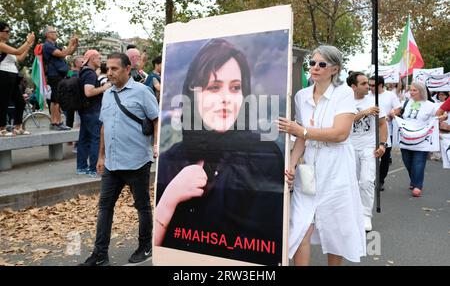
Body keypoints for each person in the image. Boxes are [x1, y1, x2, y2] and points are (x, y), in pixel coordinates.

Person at [154, 39, 284, 265]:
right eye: (214, 87)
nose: (226, 99)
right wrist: (167, 202)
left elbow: (264, 251)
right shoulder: (173, 158)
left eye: (235, 87)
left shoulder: (263, 156)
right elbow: (154, 249)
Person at [278, 45, 366, 266]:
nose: (315, 67)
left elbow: (340, 133)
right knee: (299, 229)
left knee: (335, 230)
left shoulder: (344, 93)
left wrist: (303, 131)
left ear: (334, 69)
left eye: (322, 64)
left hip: (337, 169)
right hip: (308, 170)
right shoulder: (301, 96)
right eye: (312, 63)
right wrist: (290, 165)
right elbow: (300, 138)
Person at [79, 52, 158, 266]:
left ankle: (145, 246)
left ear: (127, 69)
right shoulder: (107, 94)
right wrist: (101, 155)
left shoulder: (143, 92)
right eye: (108, 69)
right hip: (112, 164)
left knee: (142, 207)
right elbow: (104, 126)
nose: (109, 72)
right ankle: (100, 255)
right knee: (105, 208)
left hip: (137, 162)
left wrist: (156, 145)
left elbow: (156, 118)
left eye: (114, 69)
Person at [347, 72, 387, 232]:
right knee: (352, 182)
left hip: (368, 147)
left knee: (366, 181)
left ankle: (365, 216)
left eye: (368, 83)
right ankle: (353, 213)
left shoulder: (374, 102)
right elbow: (344, 122)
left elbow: (382, 124)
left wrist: (382, 145)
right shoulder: (344, 102)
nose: (368, 86)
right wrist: (364, 112)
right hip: (349, 146)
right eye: (363, 84)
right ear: (353, 86)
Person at [76, 50, 111, 177]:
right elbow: (89, 92)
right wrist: (104, 87)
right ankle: (93, 169)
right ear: (91, 58)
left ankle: (81, 167)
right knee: (96, 139)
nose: (100, 60)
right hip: (93, 111)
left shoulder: (83, 71)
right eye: (98, 57)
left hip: (85, 110)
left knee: (84, 139)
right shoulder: (90, 74)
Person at [399, 82, 437, 197]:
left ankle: (417, 186)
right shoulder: (406, 102)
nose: (411, 92)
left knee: (418, 162)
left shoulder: (430, 105)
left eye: (415, 90)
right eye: (411, 90)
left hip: (422, 139)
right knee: (407, 161)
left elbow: (439, 116)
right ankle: (414, 180)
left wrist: (442, 117)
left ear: (421, 91)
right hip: (406, 137)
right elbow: (399, 114)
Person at [0, 21, 35, 136]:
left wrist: (29, 45)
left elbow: (19, 57)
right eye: (6, 31)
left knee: (20, 101)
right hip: (3, 75)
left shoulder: (7, 46)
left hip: (13, 76)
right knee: (3, 102)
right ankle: (2, 129)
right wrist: (27, 41)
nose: (9, 33)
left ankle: (17, 127)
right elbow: (17, 51)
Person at [368, 76, 402, 190]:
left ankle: (381, 180)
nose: (370, 88)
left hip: (385, 129)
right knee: (371, 156)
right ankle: (371, 179)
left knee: (385, 157)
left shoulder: (390, 95)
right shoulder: (367, 96)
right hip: (370, 132)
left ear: (381, 85)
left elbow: (398, 108)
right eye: (369, 85)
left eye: (373, 85)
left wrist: (393, 114)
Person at [42, 25, 78, 130]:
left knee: (57, 99)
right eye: (53, 32)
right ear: (47, 34)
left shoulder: (55, 45)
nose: (56, 34)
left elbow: (69, 53)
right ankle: (55, 122)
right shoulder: (47, 46)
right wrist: (70, 43)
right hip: (54, 74)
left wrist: (75, 44)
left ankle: (57, 122)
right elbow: (63, 54)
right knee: (56, 99)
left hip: (59, 74)